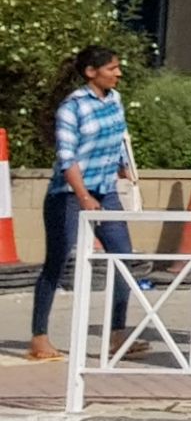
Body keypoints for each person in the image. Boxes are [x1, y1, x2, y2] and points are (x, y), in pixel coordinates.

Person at [26, 45, 138, 363]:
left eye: (118, 67)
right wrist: (84, 197)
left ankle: (118, 334)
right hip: (69, 195)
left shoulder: (114, 101)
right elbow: (67, 158)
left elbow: (118, 138)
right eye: (111, 68)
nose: (118, 73)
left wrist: (122, 166)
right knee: (57, 262)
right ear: (91, 72)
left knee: (123, 258)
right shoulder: (72, 108)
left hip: (106, 191)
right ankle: (39, 337)